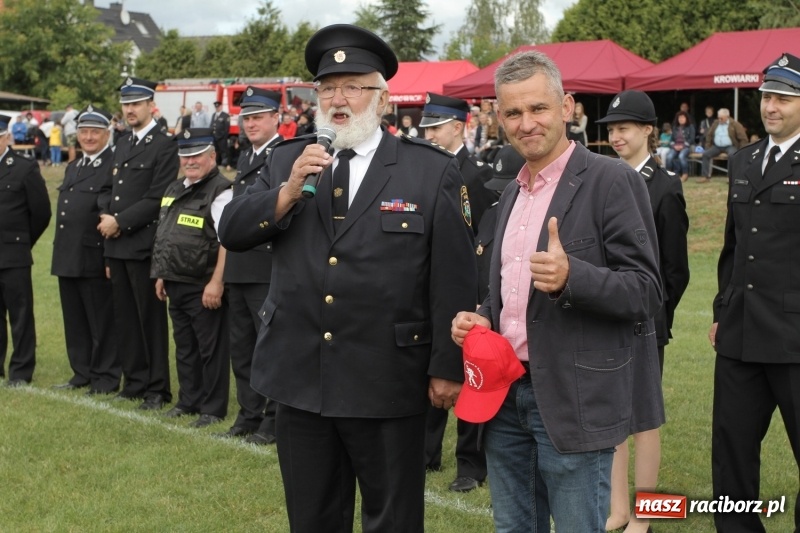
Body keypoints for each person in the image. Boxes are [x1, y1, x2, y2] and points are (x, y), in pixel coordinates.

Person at [218, 24, 477, 532]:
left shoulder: (429, 171)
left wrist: (447, 366)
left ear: (381, 99)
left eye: (353, 86)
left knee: (393, 518)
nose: (339, 98)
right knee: (312, 517)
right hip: (300, 376)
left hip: (386, 377)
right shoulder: (287, 160)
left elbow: (454, 275)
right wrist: (287, 193)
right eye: (327, 87)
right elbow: (232, 229)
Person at [450, 50, 663, 532]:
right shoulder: (510, 193)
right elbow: (508, 290)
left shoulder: (613, 181)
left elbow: (647, 292)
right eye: (513, 112)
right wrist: (484, 315)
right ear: (499, 118)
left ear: (567, 107)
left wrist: (574, 278)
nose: (526, 123)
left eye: (538, 108)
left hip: (573, 398)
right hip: (505, 396)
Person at [709, 52, 800, 533]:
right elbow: (733, 247)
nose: (771, 106)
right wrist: (722, 309)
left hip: (794, 333)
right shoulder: (743, 161)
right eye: (767, 96)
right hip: (741, 331)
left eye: (783, 98)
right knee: (732, 447)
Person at [598, 90, 690, 533]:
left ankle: (646, 515)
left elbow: (676, 271)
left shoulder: (666, 187)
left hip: (646, 322)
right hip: (608, 317)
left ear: (649, 130)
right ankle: (618, 509)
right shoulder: (605, 179)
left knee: (645, 421)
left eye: (625, 128)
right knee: (614, 417)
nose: (616, 136)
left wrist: (658, 323)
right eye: (612, 129)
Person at [417, 92, 494, 493]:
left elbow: (481, 237)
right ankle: (427, 453)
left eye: (436, 126)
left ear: (459, 126)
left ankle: (470, 464)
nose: (427, 133)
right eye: (425, 126)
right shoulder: (421, 170)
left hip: (472, 289)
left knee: (468, 375)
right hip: (430, 287)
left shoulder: (477, 174)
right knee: (432, 365)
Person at [97, 77, 180, 410]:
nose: (129, 110)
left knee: (149, 319)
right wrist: (105, 216)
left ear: (150, 106)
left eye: (136, 104)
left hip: (143, 244)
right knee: (125, 317)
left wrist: (120, 221)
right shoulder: (122, 143)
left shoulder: (164, 144)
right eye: (125, 104)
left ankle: (158, 388)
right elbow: (107, 188)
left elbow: (158, 196)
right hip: (116, 245)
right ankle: (134, 381)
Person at [215, 87, 284, 444]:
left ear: (277, 118)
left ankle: (272, 421)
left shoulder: (284, 155)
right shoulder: (246, 156)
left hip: (266, 268)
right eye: (246, 118)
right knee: (241, 349)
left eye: (258, 116)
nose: (251, 123)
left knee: (267, 348)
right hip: (240, 267)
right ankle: (248, 414)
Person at [152, 129, 232, 429]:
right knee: (184, 346)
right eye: (185, 156)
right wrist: (162, 274)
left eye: (197, 155)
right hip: (175, 280)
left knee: (210, 349)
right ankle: (189, 400)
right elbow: (166, 235)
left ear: (213, 156)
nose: (191, 161)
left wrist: (217, 282)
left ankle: (213, 408)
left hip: (203, 283)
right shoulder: (174, 188)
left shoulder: (222, 190)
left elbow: (227, 241)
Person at [50, 106, 121, 395]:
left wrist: (107, 255)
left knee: (100, 320)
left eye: (95, 132)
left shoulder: (114, 164)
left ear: (107, 134)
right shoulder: (74, 166)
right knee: (75, 318)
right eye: (83, 132)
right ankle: (82, 372)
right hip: (67, 254)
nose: (88, 137)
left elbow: (110, 212)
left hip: (93, 254)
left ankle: (105, 376)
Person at [0, 114, 51, 386]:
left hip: (14, 255)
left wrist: (21, 241)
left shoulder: (23, 167)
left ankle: (20, 370)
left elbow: (41, 212)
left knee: (20, 315)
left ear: (5, 138)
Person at [699, 107, 748, 182]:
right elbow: (709, 135)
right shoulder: (715, 123)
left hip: (730, 146)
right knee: (705, 154)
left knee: (732, 155)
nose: (719, 120)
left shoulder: (735, 124)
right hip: (717, 146)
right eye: (718, 118)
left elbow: (743, 138)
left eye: (721, 118)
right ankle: (705, 177)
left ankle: (730, 177)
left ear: (727, 117)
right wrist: (708, 146)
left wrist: (742, 149)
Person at [666, 111, 695, 182]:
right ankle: (669, 174)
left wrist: (683, 146)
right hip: (675, 146)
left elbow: (692, 139)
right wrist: (674, 146)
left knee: (681, 156)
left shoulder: (690, 127)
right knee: (669, 157)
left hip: (686, 147)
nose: (681, 119)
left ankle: (685, 174)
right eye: (680, 118)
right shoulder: (675, 127)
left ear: (686, 119)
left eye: (683, 118)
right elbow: (671, 140)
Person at [210, 101, 230, 168]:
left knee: (223, 151)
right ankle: (216, 164)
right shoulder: (213, 115)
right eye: (216, 107)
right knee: (215, 151)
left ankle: (224, 164)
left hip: (222, 137)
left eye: (218, 106)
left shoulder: (225, 115)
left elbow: (227, 128)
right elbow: (211, 125)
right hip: (214, 137)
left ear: (221, 106)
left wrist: (224, 137)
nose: (217, 108)